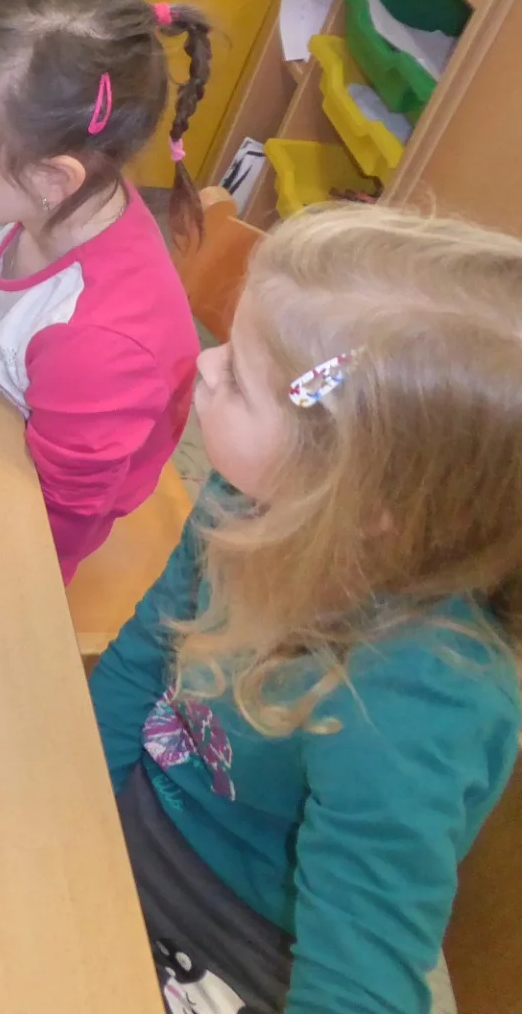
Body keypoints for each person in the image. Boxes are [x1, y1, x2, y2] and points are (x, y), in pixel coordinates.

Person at [91, 204, 522, 1014]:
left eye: (239, 380)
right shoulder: (246, 498)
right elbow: (141, 657)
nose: (205, 363)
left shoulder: (417, 697)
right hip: (134, 818)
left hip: (230, 939)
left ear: (356, 494)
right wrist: (74, 807)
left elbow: (358, 982)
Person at [0, 0, 205, 580]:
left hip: (26, 527)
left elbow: (58, 529)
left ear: (51, 177)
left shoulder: (95, 348)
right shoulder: (64, 202)